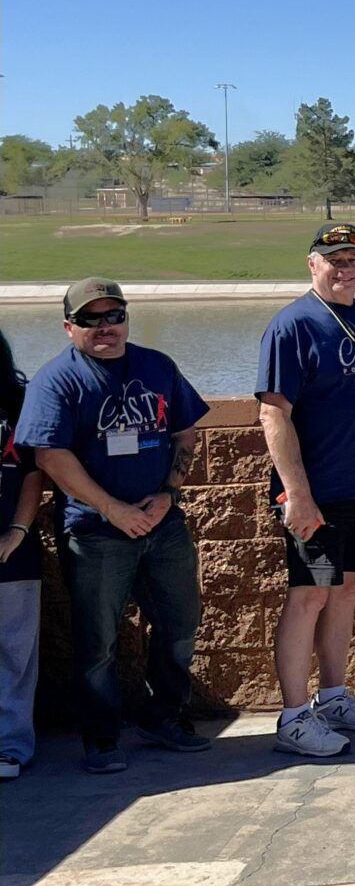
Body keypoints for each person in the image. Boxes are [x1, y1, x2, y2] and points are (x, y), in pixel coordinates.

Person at [18, 280, 210, 772]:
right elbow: (50, 456)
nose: (105, 327)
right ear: (69, 327)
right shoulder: (55, 380)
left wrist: (168, 493)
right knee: (97, 642)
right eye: (91, 319)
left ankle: (164, 716)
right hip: (95, 533)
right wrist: (112, 509)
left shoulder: (157, 366)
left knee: (180, 623)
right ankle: (101, 740)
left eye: (114, 315)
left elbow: (184, 430)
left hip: (163, 525)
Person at [257, 224, 355, 757]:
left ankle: (334, 697)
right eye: (334, 260)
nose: (346, 269)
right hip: (317, 493)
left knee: (347, 590)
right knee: (310, 594)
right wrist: (296, 494)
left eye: (354, 260)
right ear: (312, 263)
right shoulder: (292, 325)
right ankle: (294, 717)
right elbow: (273, 414)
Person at [0, 329, 50, 778]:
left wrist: (17, 530)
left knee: (15, 653)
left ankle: (10, 747)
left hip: (12, 550)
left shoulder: (19, 401)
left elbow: (35, 471)